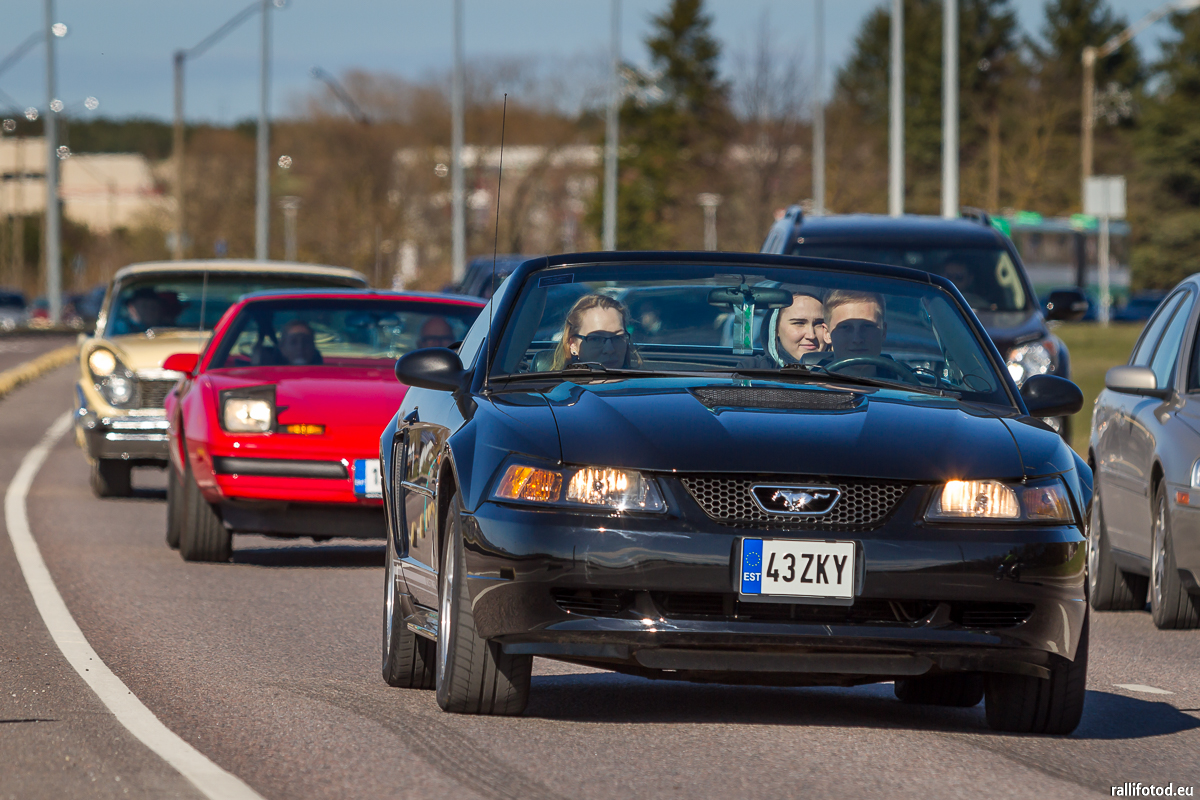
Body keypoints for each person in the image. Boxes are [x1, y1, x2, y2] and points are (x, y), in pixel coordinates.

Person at [736, 290, 827, 369]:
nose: (811, 335)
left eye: (819, 323)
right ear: (775, 328)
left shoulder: (835, 372)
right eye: (799, 323)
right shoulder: (752, 370)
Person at [549, 294, 639, 370]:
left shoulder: (642, 384)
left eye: (618, 337)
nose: (609, 349)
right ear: (573, 345)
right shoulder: (553, 385)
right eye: (596, 339)